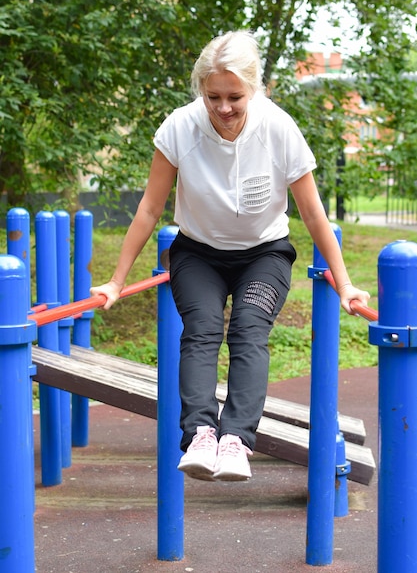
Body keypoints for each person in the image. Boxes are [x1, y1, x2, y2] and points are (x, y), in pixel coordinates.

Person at [90, 30, 370, 483]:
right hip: (198, 254)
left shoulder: (279, 129)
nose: (223, 108)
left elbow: (314, 214)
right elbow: (148, 208)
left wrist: (345, 281)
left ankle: (236, 439)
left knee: (248, 330)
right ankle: (201, 432)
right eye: (212, 96)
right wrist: (116, 281)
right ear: (201, 90)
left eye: (234, 97)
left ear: (255, 89)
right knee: (200, 331)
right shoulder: (180, 127)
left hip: (265, 255)